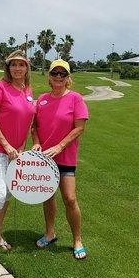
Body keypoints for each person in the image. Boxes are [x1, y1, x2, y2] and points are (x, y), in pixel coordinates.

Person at [0, 50, 35, 265]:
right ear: (8, 67)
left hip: (16, 150)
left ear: (27, 68)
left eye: (21, 65)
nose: (17, 69)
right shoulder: (0, 87)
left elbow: (27, 119)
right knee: (0, 193)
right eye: (13, 65)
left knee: (9, 192)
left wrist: (20, 146)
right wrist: (7, 144)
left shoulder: (27, 90)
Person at [32, 59, 89, 260]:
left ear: (67, 78)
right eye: (54, 73)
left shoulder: (76, 99)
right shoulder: (42, 100)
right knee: (48, 196)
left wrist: (59, 146)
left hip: (65, 157)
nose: (58, 77)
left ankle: (77, 240)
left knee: (70, 198)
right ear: (49, 76)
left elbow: (79, 128)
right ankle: (50, 233)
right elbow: (34, 126)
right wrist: (37, 142)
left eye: (62, 74)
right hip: (45, 159)